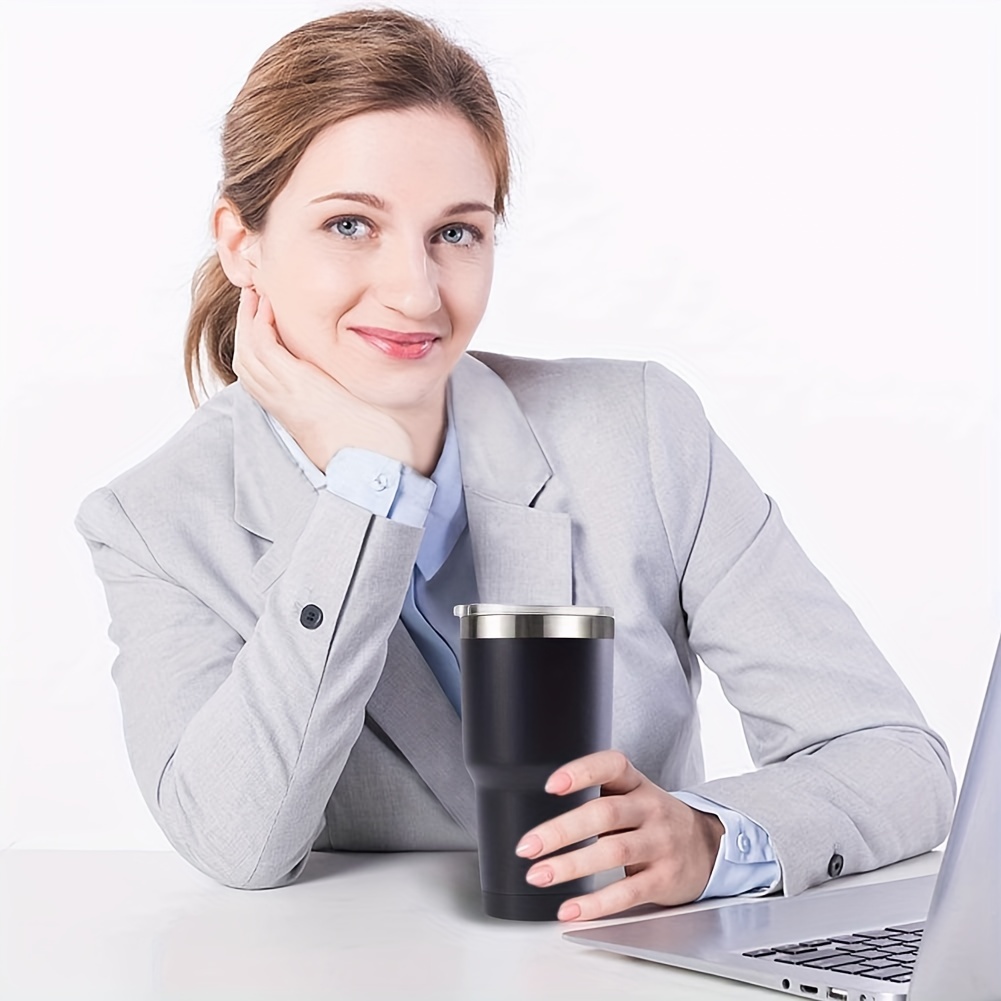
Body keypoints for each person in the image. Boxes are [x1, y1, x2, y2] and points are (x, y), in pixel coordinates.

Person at [76, 8, 954, 922]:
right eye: (349, 224)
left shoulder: (640, 433)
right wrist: (368, 488)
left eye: (456, 232)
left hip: (631, 974)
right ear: (239, 241)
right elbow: (233, 841)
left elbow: (893, 756)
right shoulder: (156, 522)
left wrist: (710, 837)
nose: (416, 292)